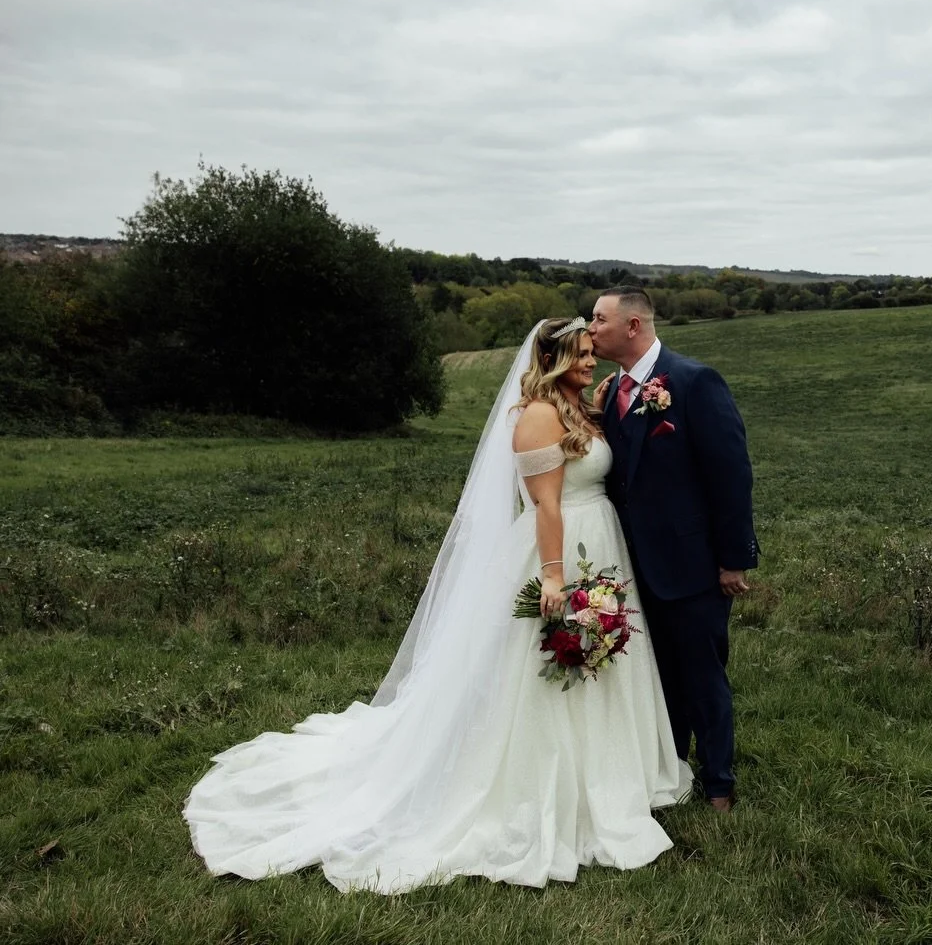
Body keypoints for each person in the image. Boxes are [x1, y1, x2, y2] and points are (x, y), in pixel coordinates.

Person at [183, 318, 692, 893]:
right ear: (551, 361)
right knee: (547, 665)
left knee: (602, 656)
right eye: (578, 356)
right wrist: (553, 576)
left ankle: (609, 771)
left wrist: (603, 404)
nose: (589, 362)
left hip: (600, 542)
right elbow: (545, 504)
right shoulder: (538, 416)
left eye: (589, 354)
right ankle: (539, 785)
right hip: (560, 549)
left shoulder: (577, 406)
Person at [588, 288, 759, 812]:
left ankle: (719, 786)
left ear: (633, 326)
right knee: (657, 677)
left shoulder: (692, 382)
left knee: (703, 676)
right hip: (634, 567)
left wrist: (733, 559)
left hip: (693, 565)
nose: (590, 328)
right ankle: (671, 771)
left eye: (599, 319)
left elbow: (730, 474)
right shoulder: (610, 392)